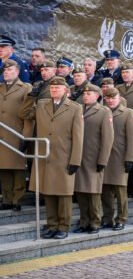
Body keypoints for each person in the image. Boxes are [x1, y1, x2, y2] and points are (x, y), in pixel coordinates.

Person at [18, 76, 84, 239]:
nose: (54, 90)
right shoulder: (41, 105)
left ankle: (63, 226)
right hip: (45, 156)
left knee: (63, 195)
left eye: (57, 88)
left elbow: (78, 137)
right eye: (52, 88)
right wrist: (31, 97)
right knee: (48, 192)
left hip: (63, 156)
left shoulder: (75, 108)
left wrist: (75, 160)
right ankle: (52, 224)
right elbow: (23, 113)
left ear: (65, 90)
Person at [74, 84, 114, 234]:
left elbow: (107, 138)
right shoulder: (78, 109)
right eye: (84, 94)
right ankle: (84, 222)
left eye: (89, 94)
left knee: (93, 192)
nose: (86, 96)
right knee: (81, 192)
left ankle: (95, 222)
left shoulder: (103, 112)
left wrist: (102, 160)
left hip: (94, 157)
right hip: (79, 156)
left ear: (97, 96)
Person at [101, 87, 133, 231]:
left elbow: (132, 138)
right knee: (105, 190)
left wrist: (130, 158)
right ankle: (107, 218)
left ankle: (121, 218)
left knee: (120, 190)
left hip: (120, 157)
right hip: (105, 156)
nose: (110, 100)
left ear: (119, 97)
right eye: (108, 98)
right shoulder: (103, 111)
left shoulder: (127, 113)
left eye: (113, 98)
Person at [0, 60, 33, 211]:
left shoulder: (25, 88)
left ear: (17, 72)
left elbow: (29, 115)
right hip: (2, 134)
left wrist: (25, 137)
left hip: (16, 132)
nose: (6, 72)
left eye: (10, 70)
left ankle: (17, 199)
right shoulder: (0, 87)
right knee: (4, 168)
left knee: (18, 168)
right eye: (4, 70)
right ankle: (6, 198)